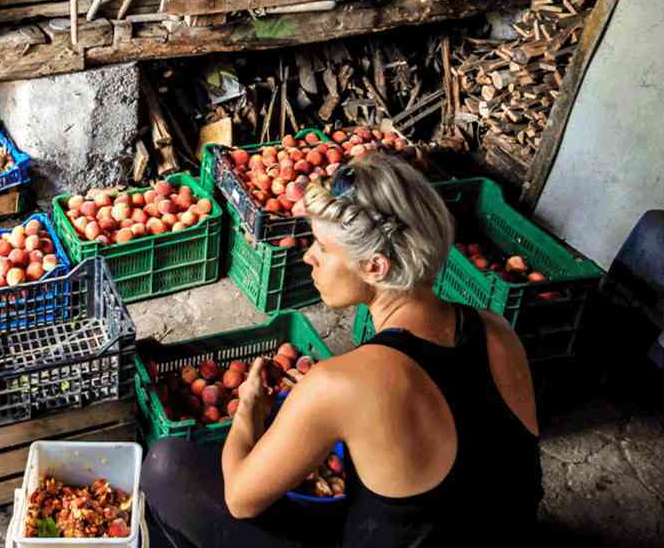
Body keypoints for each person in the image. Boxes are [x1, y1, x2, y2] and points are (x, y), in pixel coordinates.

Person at [142, 153, 543, 547]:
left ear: (375, 267)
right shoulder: (496, 330)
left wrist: (249, 409)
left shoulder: (341, 383)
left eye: (322, 247)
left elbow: (240, 500)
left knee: (167, 468)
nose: (308, 256)